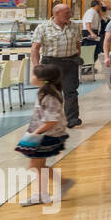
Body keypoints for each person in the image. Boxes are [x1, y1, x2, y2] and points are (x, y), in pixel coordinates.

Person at [15, 63, 72, 207]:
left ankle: (57, 186)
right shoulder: (43, 92)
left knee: (35, 165)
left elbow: (52, 121)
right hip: (43, 134)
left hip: (48, 136)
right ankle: (44, 193)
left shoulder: (49, 96)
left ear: (43, 79)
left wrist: (35, 133)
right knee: (38, 165)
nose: (31, 77)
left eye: (34, 75)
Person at [31, 3, 83, 129]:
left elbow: (78, 44)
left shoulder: (75, 26)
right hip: (51, 63)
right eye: (67, 13)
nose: (70, 15)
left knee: (71, 91)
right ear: (56, 14)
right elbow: (35, 49)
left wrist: (76, 58)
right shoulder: (43, 28)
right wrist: (36, 67)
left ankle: (72, 119)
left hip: (70, 62)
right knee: (52, 93)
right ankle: (51, 120)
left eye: (70, 12)